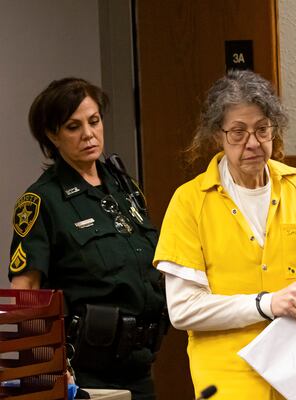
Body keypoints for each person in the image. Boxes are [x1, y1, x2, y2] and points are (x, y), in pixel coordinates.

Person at [153, 69, 296, 399]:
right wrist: (266, 304)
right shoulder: (189, 202)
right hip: (229, 383)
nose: (252, 143)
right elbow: (183, 309)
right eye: (237, 132)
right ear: (217, 135)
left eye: (262, 130)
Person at [8, 78, 167, 400]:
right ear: (52, 136)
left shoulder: (125, 188)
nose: (88, 134)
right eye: (73, 127)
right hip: (83, 371)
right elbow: (25, 293)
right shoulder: (43, 200)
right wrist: (46, 369)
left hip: (139, 364)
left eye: (94, 121)